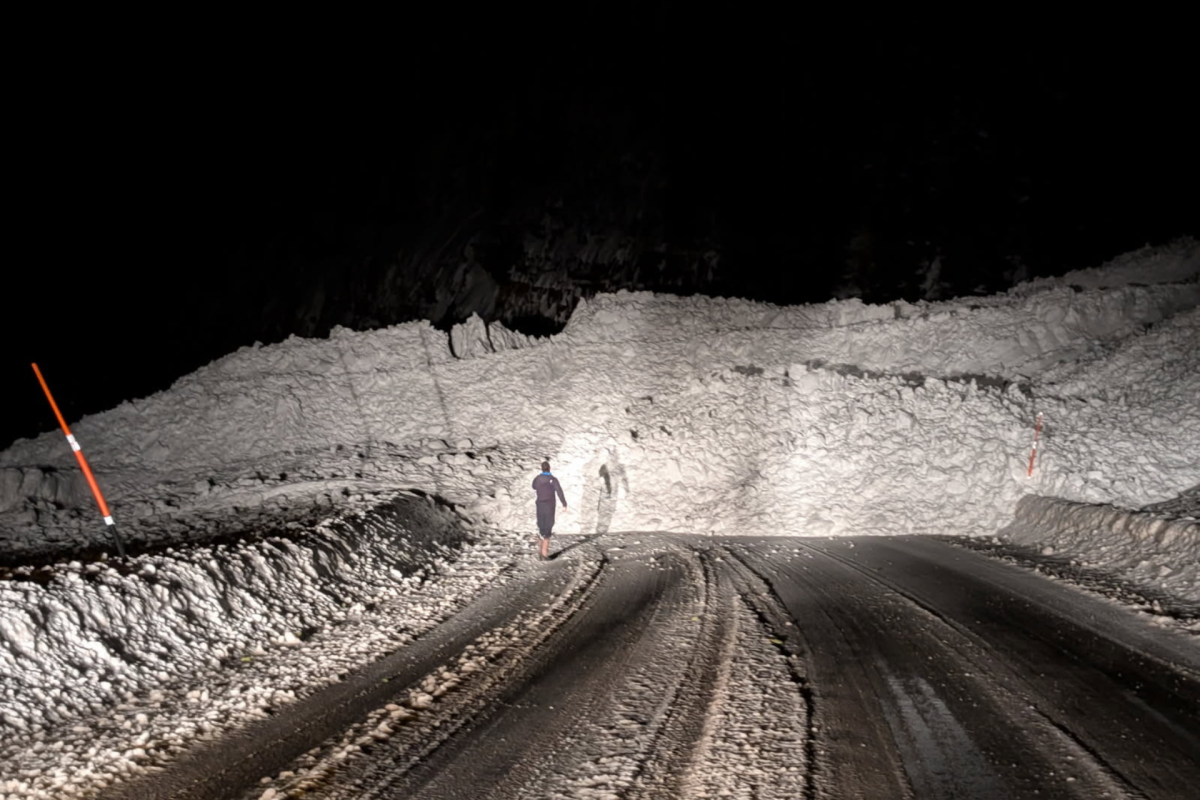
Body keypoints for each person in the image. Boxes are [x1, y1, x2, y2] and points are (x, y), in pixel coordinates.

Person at [531, 460, 568, 560]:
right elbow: (559, 491)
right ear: (549, 468)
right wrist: (564, 503)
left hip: (539, 506)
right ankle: (544, 554)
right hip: (549, 506)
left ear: (542, 469)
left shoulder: (537, 479)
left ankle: (540, 554)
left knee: (541, 528)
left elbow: (533, 486)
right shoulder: (553, 480)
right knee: (548, 528)